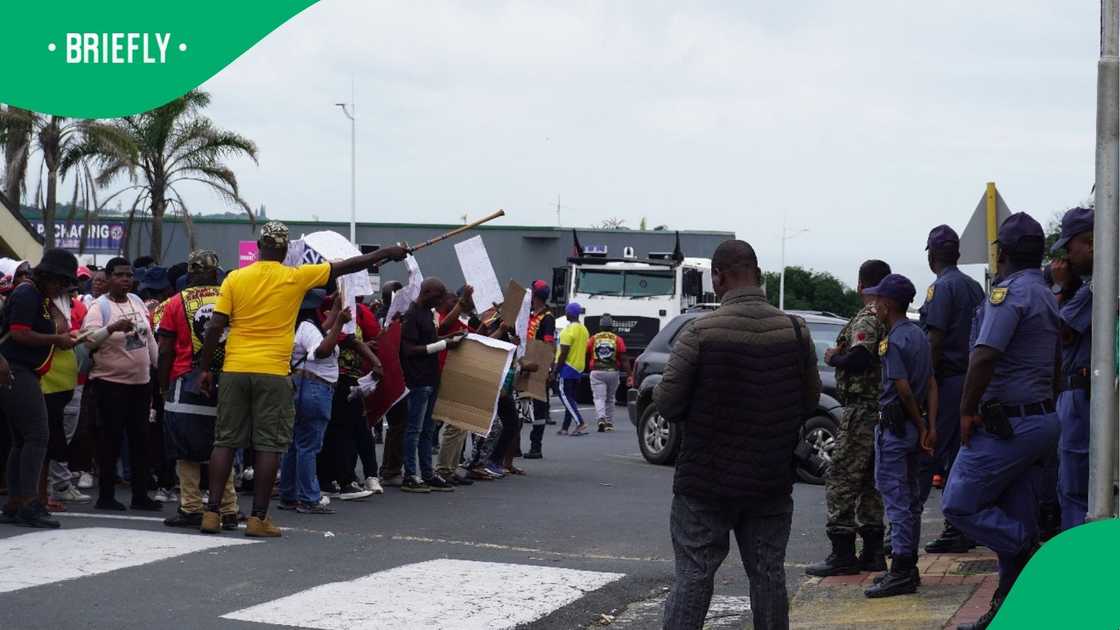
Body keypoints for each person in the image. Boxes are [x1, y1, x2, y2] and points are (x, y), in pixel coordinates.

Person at [195, 221, 407, 537]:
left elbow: (214, 327)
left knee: (225, 441)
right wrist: (387, 253)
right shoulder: (296, 277)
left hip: (235, 369)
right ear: (284, 250)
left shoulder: (235, 278)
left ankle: (211, 513)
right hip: (274, 373)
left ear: (258, 248)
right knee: (269, 445)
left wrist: (205, 368)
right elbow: (349, 265)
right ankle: (257, 519)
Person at [654, 239, 820, 630]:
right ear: (758, 274)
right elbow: (809, 400)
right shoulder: (795, 331)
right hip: (770, 480)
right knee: (767, 575)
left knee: (694, 575)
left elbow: (667, 404)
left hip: (704, 482)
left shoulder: (699, 332)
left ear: (718, 277)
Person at [942, 212, 1060, 629]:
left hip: (1006, 425)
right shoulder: (1046, 292)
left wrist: (966, 412)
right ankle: (1010, 614)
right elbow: (1057, 363)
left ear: (1001, 253)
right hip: (1040, 421)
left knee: (958, 504)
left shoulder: (1008, 294)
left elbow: (985, 355)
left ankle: (1033, 551)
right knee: (1016, 514)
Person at [805, 259, 891, 578]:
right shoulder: (885, 315)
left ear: (860, 285)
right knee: (869, 481)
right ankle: (871, 552)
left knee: (840, 477)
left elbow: (860, 356)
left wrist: (834, 358)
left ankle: (842, 553)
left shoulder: (868, 317)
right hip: (877, 409)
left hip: (861, 408)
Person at [861, 273, 938, 598]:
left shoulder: (892, 340)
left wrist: (921, 426)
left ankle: (902, 570)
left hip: (897, 429)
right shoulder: (919, 335)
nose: (874, 304)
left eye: (878, 299)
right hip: (915, 429)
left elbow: (903, 389)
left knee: (897, 501)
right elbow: (932, 384)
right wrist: (930, 427)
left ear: (889, 304)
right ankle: (909, 568)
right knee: (911, 501)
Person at [157, 250, 240, 530]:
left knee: (186, 449)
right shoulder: (232, 298)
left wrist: (162, 384)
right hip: (227, 381)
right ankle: (228, 508)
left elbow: (165, 348)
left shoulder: (174, 303)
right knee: (223, 445)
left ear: (190, 273)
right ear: (217, 273)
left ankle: (191, 507)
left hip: (186, 381)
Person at [918, 225, 986, 554]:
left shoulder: (940, 288)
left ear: (932, 257)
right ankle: (965, 524)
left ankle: (956, 527)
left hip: (948, 381)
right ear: (957, 254)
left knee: (946, 454)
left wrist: (924, 384)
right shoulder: (975, 288)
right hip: (973, 379)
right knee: (965, 452)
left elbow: (934, 338)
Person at [0, 248, 80, 528]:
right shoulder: (27, 294)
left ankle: (15, 503)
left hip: (19, 370)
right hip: (15, 369)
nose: (62, 287)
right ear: (48, 275)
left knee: (22, 440)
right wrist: (56, 340)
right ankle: (29, 503)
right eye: (60, 281)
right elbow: (20, 333)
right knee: (37, 435)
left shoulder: (38, 295)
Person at [82, 257, 163, 512]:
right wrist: (112, 328)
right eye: (119, 275)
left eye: (129, 275)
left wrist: (158, 369)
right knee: (110, 441)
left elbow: (148, 338)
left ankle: (140, 495)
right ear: (108, 279)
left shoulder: (137, 302)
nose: (126, 279)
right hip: (110, 384)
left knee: (141, 441)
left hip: (141, 384)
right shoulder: (99, 307)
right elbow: (88, 342)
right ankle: (106, 496)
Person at [279, 289, 346, 514]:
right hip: (315, 388)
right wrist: (339, 324)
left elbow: (320, 331)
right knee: (308, 445)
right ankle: (308, 498)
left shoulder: (296, 324)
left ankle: (289, 494)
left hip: (299, 386)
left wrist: (336, 311)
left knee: (294, 444)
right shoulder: (308, 326)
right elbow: (322, 350)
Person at [1049, 206, 1094, 531]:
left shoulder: (1095, 285)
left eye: (1070, 247)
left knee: (1075, 489)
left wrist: (1059, 286)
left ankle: (1080, 568)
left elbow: (1060, 331)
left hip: (1082, 392)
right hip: (1084, 390)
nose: (1067, 256)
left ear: (1089, 242)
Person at [399, 278, 464, 493]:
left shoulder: (428, 313)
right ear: (426, 293)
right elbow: (408, 349)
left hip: (430, 377)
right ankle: (410, 474)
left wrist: (448, 339)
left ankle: (426, 473)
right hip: (417, 379)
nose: (440, 301)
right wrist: (443, 344)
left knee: (427, 429)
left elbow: (432, 340)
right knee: (415, 429)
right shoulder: (412, 314)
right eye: (437, 297)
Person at [525, 280, 556, 458]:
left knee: (539, 408)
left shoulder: (548, 318)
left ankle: (536, 446)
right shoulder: (530, 315)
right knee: (520, 405)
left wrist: (548, 369)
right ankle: (515, 447)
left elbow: (548, 343)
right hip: (525, 363)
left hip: (539, 366)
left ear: (536, 296)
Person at [587, 314, 630, 432]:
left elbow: (587, 352)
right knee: (610, 398)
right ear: (612, 327)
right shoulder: (617, 339)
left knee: (599, 398)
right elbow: (624, 359)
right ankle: (609, 423)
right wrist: (629, 375)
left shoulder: (593, 338)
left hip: (597, 372)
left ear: (600, 326)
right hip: (613, 372)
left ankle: (601, 418)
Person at [552, 302, 589, 436]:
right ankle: (565, 427)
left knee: (564, 396)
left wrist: (556, 370)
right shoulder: (584, 329)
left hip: (567, 366)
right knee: (571, 398)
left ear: (570, 313)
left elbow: (563, 353)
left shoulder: (568, 330)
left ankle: (580, 423)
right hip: (579, 367)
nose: (565, 313)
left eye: (566, 311)